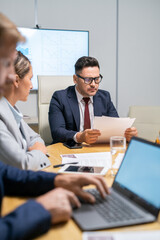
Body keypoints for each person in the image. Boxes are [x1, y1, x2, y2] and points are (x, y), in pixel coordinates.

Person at [0, 13, 109, 240]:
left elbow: (8, 169)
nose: (10, 76)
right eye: (7, 63)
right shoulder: (60, 97)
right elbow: (23, 161)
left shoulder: (10, 109)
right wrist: (41, 209)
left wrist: (57, 179)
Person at [49, 56, 138, 144]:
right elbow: (57, 132)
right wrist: (80, 137)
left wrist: (127, 134)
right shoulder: (60, 98)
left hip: (97, 149)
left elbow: (116, 127)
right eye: (88, 79)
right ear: (75, 79)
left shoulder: (105, 97)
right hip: (71, 149)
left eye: (96, 79)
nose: (93, 84)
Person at [0, 50, 50, 170]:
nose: (32, 85)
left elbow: (35, 138)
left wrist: (36, 148)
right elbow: (23, 164)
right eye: (30, 78)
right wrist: (39, 152)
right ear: (16, 80)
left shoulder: (11, 110)